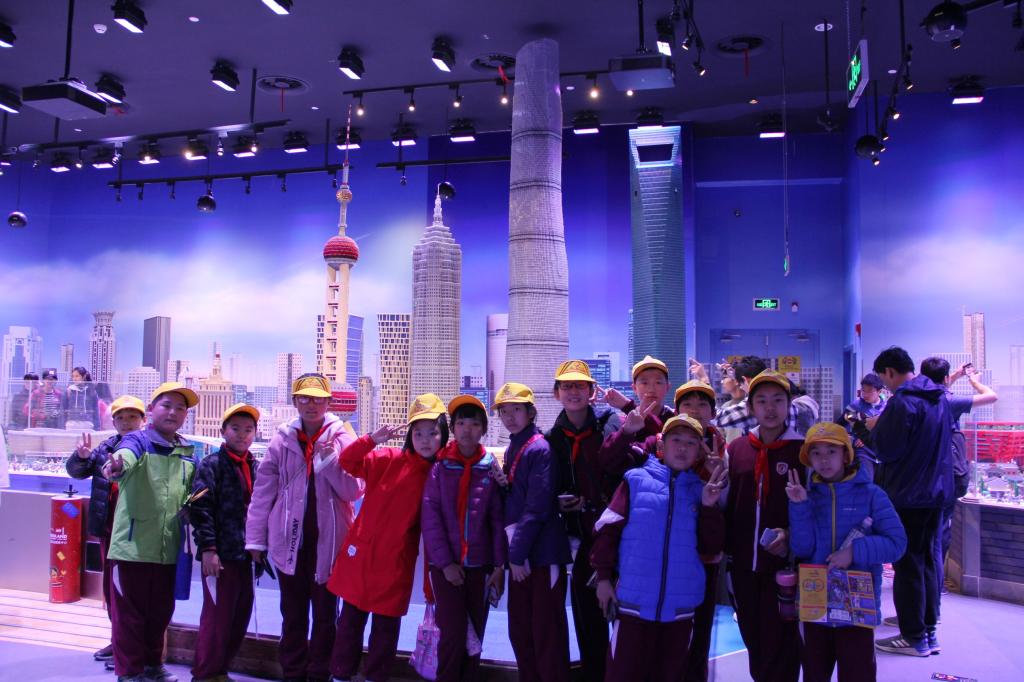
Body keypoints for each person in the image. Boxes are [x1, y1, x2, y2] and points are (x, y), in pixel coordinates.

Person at [245, 373, 364, 682]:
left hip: (330, 545)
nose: (312, 404)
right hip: (288, 543)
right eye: (305, 398)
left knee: (326, 617)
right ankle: (293, 674)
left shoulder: (343, 438)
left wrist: (331, 463)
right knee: (292, 614)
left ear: (329, 402)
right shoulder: (282, 440)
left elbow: (354, 490)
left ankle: (319, 674)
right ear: (295, 402)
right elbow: (263, 493)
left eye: (318, 399)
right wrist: (256, 540)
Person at [591, 414, 727, 682]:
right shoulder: (634, 480)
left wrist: (709, 507)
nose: (683, 447)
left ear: (699, 451)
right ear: (662, 445)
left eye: (691, 442)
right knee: (622, 674)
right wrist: (603, 578)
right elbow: (608, 529)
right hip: (632, 606)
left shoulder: (701, 491)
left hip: (680, 610)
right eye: (676, 440)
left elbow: (711, 547)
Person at [329, 394, 449, 682]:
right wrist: (372, 439)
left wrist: (430, 584)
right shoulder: (388, 458)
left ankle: (375, 678)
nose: (425, 440)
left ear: (444, 435)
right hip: (361, 559)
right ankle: (340, 676)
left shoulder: (440, 475)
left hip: (395, 564)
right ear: (409, 435)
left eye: (432, 433)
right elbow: (347, 460)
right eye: (418, 433)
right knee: (348, 626)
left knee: (385, 633)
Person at [787, 423, 907, 682]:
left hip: (857, 612)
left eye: (831, 451)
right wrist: (799, 506)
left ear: (845, 455)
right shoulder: (808, 495)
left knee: (857, 673)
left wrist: (855, 551)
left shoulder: (872, 494)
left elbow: (897, 544)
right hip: (816, 608)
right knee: (814, 674)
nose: (824, 460)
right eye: (816, 453)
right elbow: (801, 548)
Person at [105, 382, 200, 682]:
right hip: (131, 548)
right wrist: (116, 467)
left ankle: (151, 665)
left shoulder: (187, 453)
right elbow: (124, 458)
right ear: (151, 410)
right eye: (166, 405)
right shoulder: (137, 441)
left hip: (169, 550)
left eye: (180, 408)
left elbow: (194, 493)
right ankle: (129, 672)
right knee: (129, 615)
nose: (173, 412)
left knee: (160, 614)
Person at [868, 347, 952, 658]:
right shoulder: (939, 398)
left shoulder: (903, 401)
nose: (884, 385)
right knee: (927, 560)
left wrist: (870, 428)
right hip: (935, 493)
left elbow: (886, 449)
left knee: (907, 565)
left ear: (890, 372)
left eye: (883, 378)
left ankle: (913, 637)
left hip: (908, 494)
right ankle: (928, 632)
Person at [723, 369, 805, 682]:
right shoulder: (737, 449)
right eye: (762, 401)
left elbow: (815, 509)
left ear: (788, 405)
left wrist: (792, 536)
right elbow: (727, 502)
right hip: (743, 565)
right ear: (751, 407)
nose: (770, 408)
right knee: (752, 635)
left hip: (786, 566)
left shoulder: (803, 451)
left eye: (778, 400)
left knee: (783, 640)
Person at [545, 360, 623, 682]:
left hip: (619, 537)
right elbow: (549, 487)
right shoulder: (553, 437)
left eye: (580, 385)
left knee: (628, 630)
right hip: (582, 542)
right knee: (589, 628)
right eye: (567, 386)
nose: (573, 392)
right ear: (557, 393)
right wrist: (561, 501)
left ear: (592, 392)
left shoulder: (611, 424)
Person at [421, 395, 506, 682]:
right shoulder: (440, 467)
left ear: (483, 429)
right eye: (461, 424)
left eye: (474, 424)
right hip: (446, 569)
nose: (467, 430)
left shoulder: (489, 467)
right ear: (453, 429)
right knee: (453, 633)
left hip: (480, 568)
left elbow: (496, 520)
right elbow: (431, 520)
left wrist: (499, 566)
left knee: (475, 637)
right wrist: (445, 564)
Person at [495, 382, 572, 682]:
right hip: (526, 555)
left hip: (541, 556)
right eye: (504, 411)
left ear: (531, 412)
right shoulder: (516, 445)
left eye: (517, 409)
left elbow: (537, 508)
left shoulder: (538, 449)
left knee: (546, 634)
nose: (510, 416)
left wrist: (515, 556)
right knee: (522, 631)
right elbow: (520, 500)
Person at [64, 395, 146, 670]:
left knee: (132, 590)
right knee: (112, 590)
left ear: (143, 420)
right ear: (113, 422)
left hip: (137, 531)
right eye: (120, 418)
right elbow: (77, 471)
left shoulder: (149, 448)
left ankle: (131, 647)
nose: (126, 422)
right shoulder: (106, 447)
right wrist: (81, 457)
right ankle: (119, 640)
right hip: (109, 529)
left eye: (132, 417)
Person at [190, 403, 261, 682]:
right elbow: (200, 509)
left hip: (247, 557)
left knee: (239, 616)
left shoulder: (255, 466)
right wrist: (209, 549)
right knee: (217, 617)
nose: (242, 435)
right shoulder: (211, 465)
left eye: (248, 429)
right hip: (221, 556)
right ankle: (204, 673)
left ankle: (220, 671)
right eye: (235, 428)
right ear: (223, 431)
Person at [919, 357, 999, 607]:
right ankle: (935, 593)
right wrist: (975, 382)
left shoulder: (920, 399)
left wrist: (955, 375)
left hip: (927, 477)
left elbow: (939, 384)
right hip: (949, 477)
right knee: (938, 536)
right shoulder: (949, 401)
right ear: (944, 379)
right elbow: (992, 396)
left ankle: (928, 593)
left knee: (929, 536)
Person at [671, 380, 727, 682]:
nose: (695, 410)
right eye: (688, 404)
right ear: (677, 410)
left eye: (702, 404)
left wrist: (719, 472)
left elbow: (728, 505)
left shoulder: (723, 449)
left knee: (701, 628)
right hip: (670, 551)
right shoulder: (665, 444)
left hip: (705, 554)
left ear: (713, 412)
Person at [690, 356, 810, 437]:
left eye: (740, 383)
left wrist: (704, 379)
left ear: (745, 380)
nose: (769, 407)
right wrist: (736, 373)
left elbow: (716, 417)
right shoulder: (794, 402)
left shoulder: (752, 407)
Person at [602, 355, 677, 467]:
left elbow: (666, 433)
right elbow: (608, 460)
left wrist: (627, 405)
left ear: (668, 387)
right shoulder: (623, 422)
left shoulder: (676, 417)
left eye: (658, 382)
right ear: (634, 388)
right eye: (644, 383)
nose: (651, 389)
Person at [842, 374, 887, 481]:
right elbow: (844, 421)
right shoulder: (856, 405)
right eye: (863, 390)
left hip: (882, 452)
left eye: (870, 391)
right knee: (866, 480)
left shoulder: (887, 406)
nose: (865, 394)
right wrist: (856, 438)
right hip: (864, 451)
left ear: (879, 391)